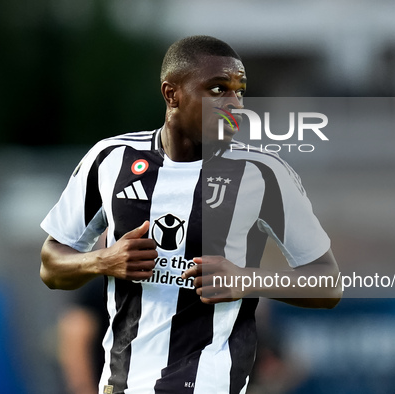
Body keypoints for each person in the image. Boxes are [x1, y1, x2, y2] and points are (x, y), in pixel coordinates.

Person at [40, 35, 341, 394]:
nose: (234, 104)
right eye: (217, 89)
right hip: (121, 384)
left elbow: (327, 283)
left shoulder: (263, 173)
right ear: (172, 94)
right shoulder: (110, 159)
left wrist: (247, 280)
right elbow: (51, 264)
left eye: (239, 91)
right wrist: (104, 260)